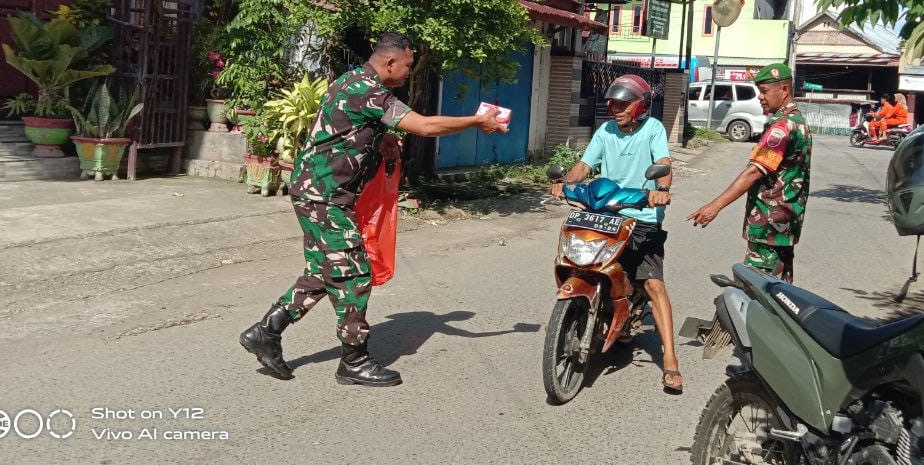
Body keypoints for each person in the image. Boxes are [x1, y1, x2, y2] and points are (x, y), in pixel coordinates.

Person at [239, 31, 507, 387]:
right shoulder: (369, 90)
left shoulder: (352, 81)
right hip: (324, 196)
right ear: (390, 62)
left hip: (317, 192)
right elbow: (424, 126)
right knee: (353, 273)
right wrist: (476, 122)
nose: (410, 72)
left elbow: (349, 127)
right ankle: (354, 360)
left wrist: (382, 139)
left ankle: (265, 331)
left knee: (324, 273)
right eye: (409, 65)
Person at [550, 74, 682, 393]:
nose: (616, 109)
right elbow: (585, 165)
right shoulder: (606, 131)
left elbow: (663, 162)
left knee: (653, 284)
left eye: (623, 104)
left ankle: (671, 362)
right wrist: (567, 182)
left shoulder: (652, 129)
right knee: (582, 260)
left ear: (639, 106)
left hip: (641, 213)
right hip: (605, 211)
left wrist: (661, 189)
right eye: (612, 103)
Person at [686, 63, 811, 282]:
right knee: (781, 287)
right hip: (784, 221)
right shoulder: (797, 121)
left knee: (759, 288)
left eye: (764, 91)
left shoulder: (782, 127)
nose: (760, 97)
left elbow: (754, 172)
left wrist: (714, 206)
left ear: (784, 90)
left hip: (769, 223)